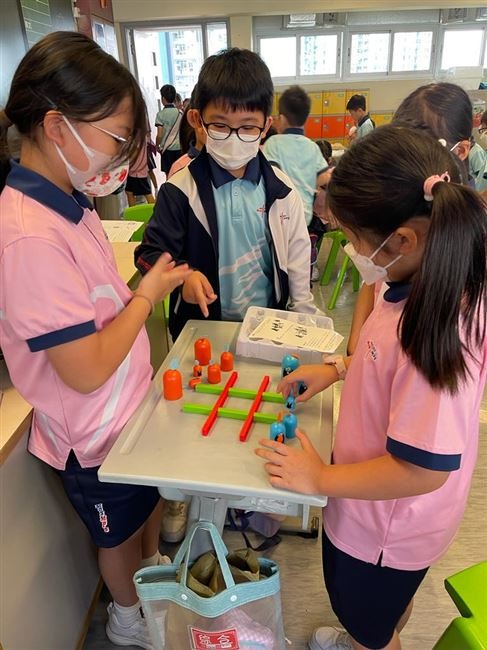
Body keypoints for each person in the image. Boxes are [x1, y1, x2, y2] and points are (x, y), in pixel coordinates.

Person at [256, 124, 487, 650]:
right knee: (383, 610)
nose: (354, 250)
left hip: (385, 526)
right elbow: (386, 361)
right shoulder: (423, 275)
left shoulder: (434, 331)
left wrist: (318, 477)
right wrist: (341, 368)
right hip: (392, 517)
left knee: (368, 620)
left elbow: (422, 468)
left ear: (403, 239)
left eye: (357, 240)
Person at [0, 32, 191, 649]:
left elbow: (97, 307)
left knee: (146, 513)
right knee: (118, 537)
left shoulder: (70, 204)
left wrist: (146, 289)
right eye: (115, 138)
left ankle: (148, 585)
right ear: (58, 127)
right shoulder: (29, 235)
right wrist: (146, 296)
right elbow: (82, 369)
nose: (120, 158)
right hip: (91, 436)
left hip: (124, 413)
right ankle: (128, 618)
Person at [135, 48, 321, 342]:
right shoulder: (179, 190)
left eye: (247, 127)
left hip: (266, 328)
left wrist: (304, 321)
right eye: (220, 125)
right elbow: (148, 255)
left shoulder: (282, 190)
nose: (234, 138)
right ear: (197, 119)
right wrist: (184, 276)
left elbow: (298, 263)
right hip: (201, 331)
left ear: (266, 126)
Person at [347, 81, 476, 357]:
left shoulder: (466, 245)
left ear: (461, 150)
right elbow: (374, 279)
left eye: (420, 148)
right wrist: (353, 355)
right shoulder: (403, 203)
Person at [262, 85, 329, 283]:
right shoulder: (312, 147)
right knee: (298, 271)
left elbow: (270, 176)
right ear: (306, 118)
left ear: (281, 118)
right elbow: (324, 179)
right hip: (304, 218)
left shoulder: (273, 143)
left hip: (279, 217)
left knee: (278, 267)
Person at [155, 84, 182, 176]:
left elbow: (159, 135)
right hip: (180, 149)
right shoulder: (180, 113)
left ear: (163, 98)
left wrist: (157, 145)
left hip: (167, 150)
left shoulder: (160, 115)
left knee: (169, 175)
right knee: (180, 173)